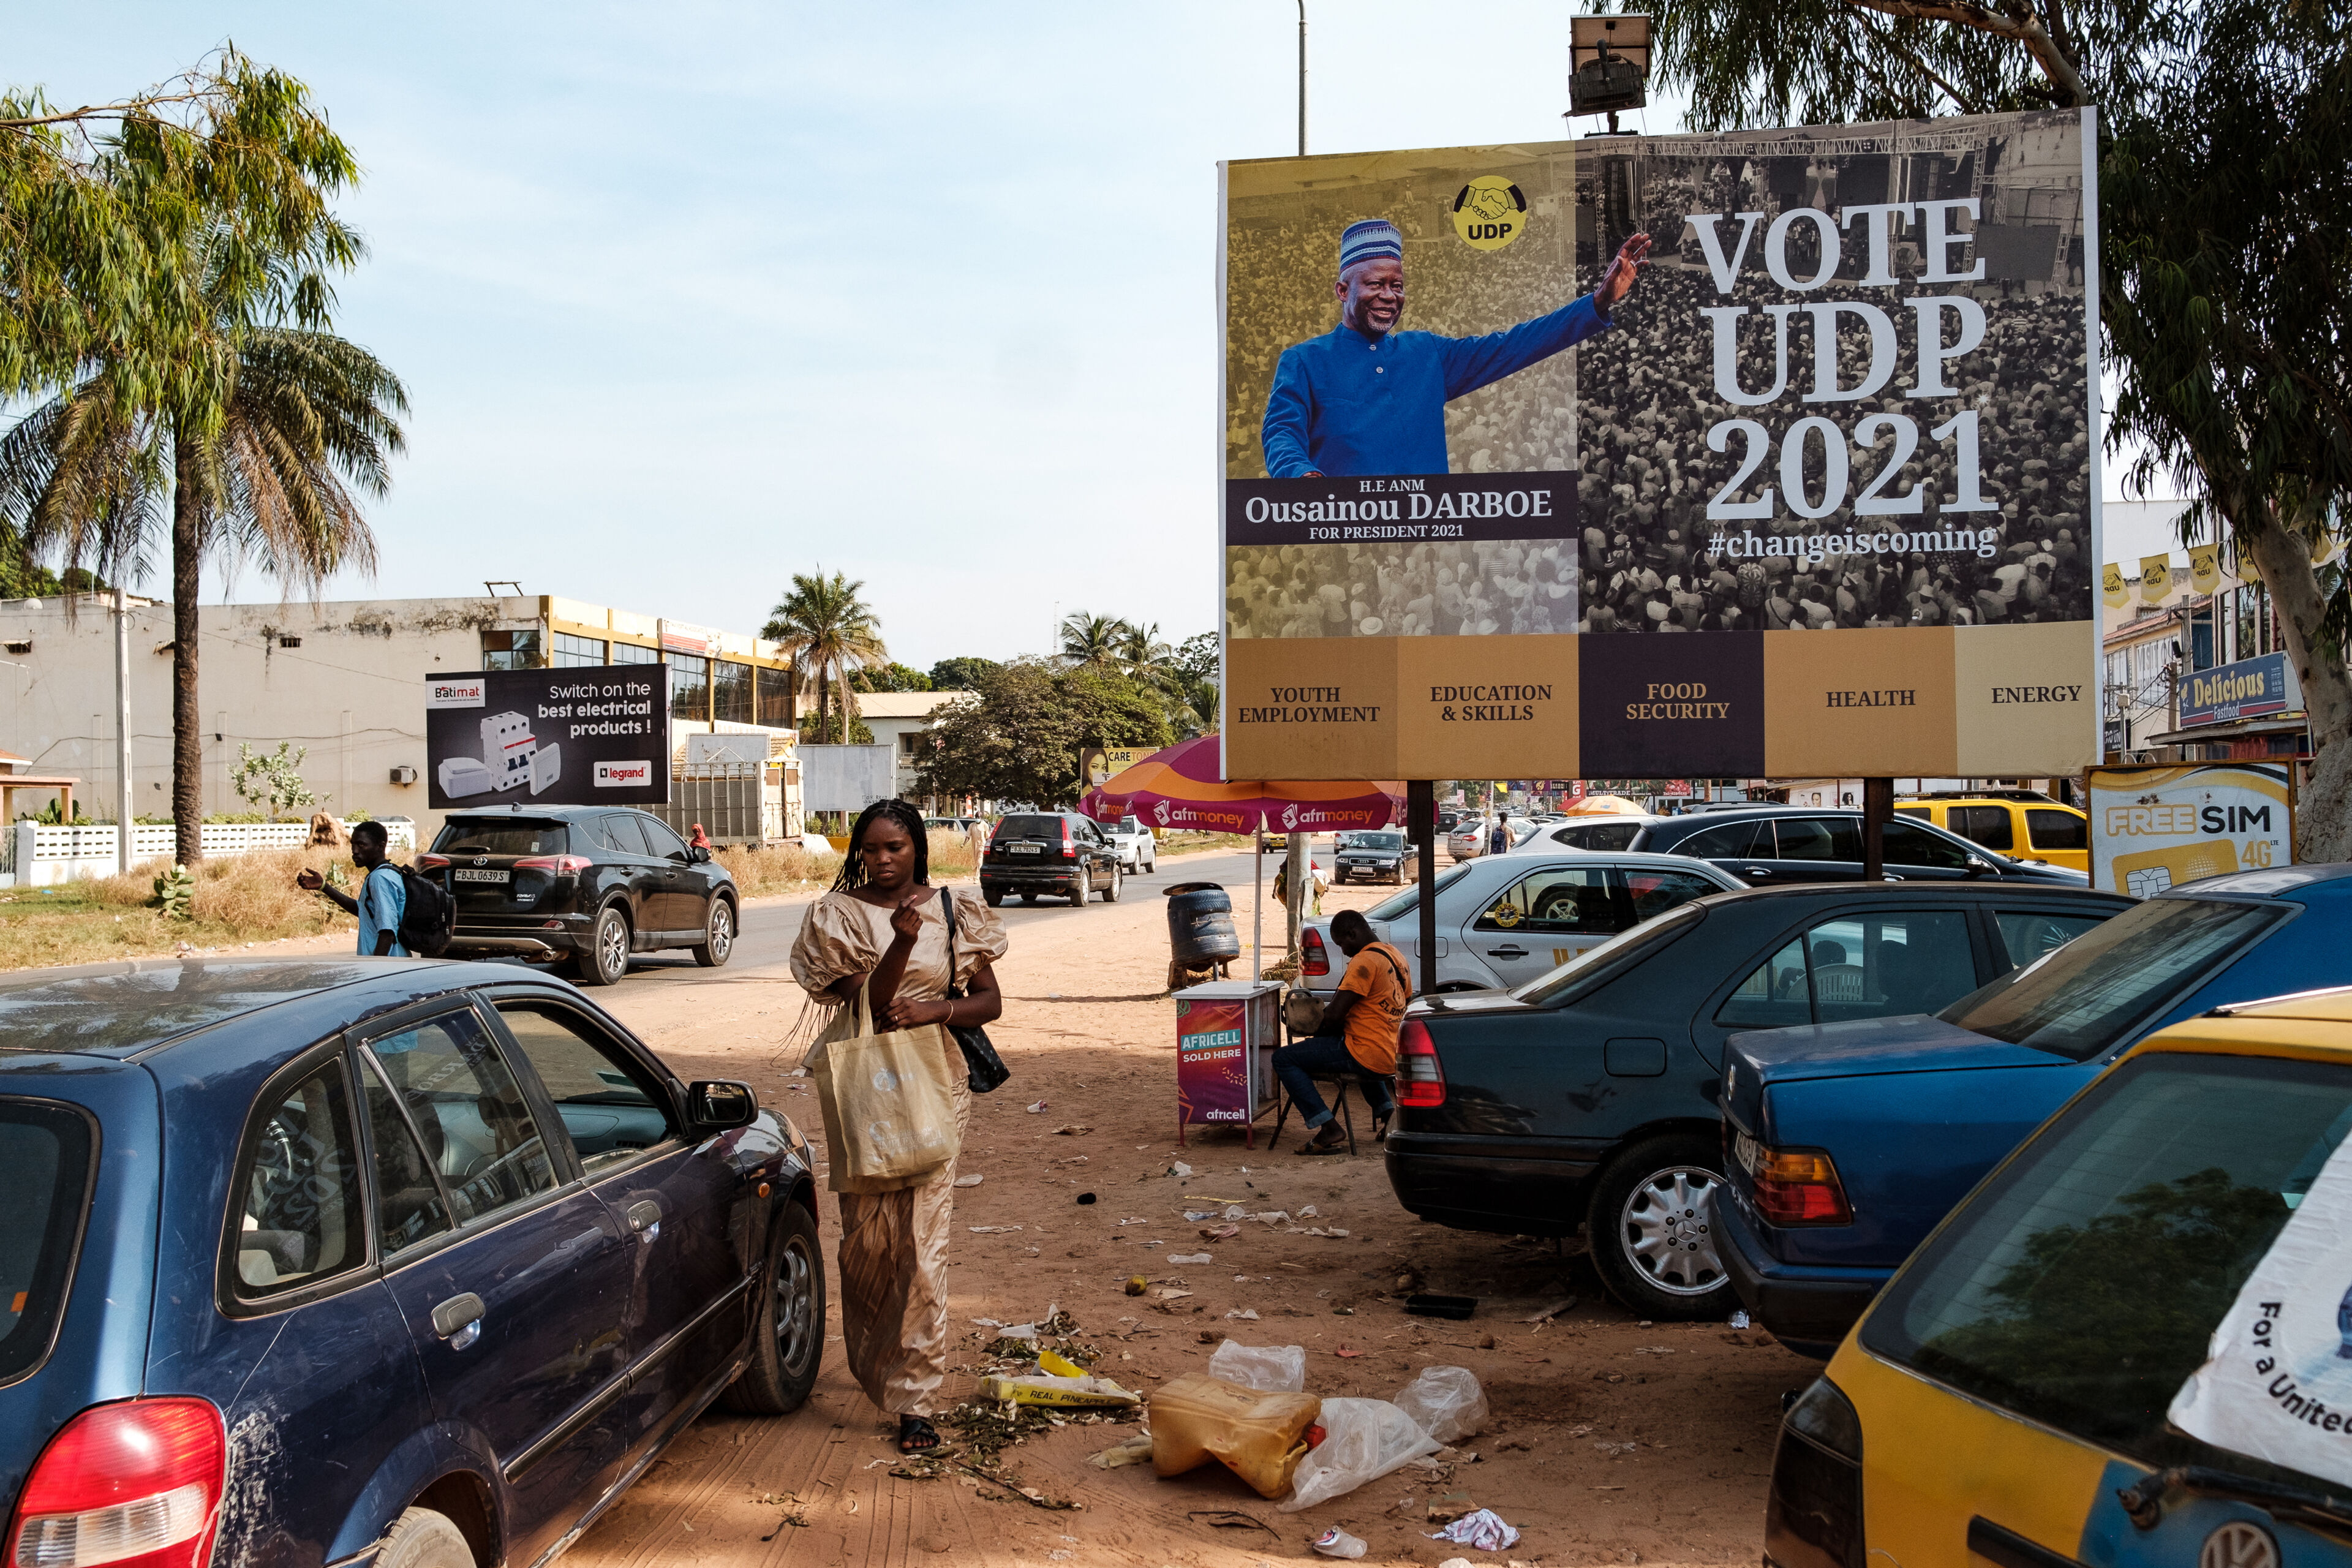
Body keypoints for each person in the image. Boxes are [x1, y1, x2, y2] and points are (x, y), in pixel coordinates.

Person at [788, 799, 1007, 1455]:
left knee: (922, 1240)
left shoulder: (954, 909)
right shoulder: (837, 915)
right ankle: (877, 1357)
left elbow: (990, 1001)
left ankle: (916, 1399)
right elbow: (871, 1002)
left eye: (896, 847)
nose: (883, 860)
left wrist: (938, 1009)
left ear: (918, 848)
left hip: (937, 1083)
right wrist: (903, 942)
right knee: (868, 1240)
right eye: (872, 849)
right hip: (864, 1087)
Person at [1261, 220, 1653, 479]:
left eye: (1397, 286)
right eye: (1375, 284)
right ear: (1342, 290)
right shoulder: (1304, 361)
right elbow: (1281, 432)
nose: (1389, 296)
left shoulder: (1426, 353)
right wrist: (1301, 476)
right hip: (1348, 545)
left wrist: (1597, 302)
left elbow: (1515, 345)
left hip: (1429, 543)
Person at [1277, 910, 1409, 1155]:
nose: (1343, 951)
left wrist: (1317, 1034)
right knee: (1357, 1047)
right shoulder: (1395, 955)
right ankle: (1388, 1114)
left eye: (1341, 944)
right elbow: (1405, 999)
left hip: (1366, 1052)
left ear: (1352, 934)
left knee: (1284, 1058)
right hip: (1390, 1052)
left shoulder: (1364, 962)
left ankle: (1328, 1127)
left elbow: (1335, 1016)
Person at [295, 819, 405, 956]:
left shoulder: (380, 878)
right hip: (390, 962)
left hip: (389, 963)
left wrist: (377, 965)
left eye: (361, 845)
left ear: (380, 846)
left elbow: (387, 932)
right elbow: (363, 911)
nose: (355, 851)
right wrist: (324, 886)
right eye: (353, 845)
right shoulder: (385, 873)